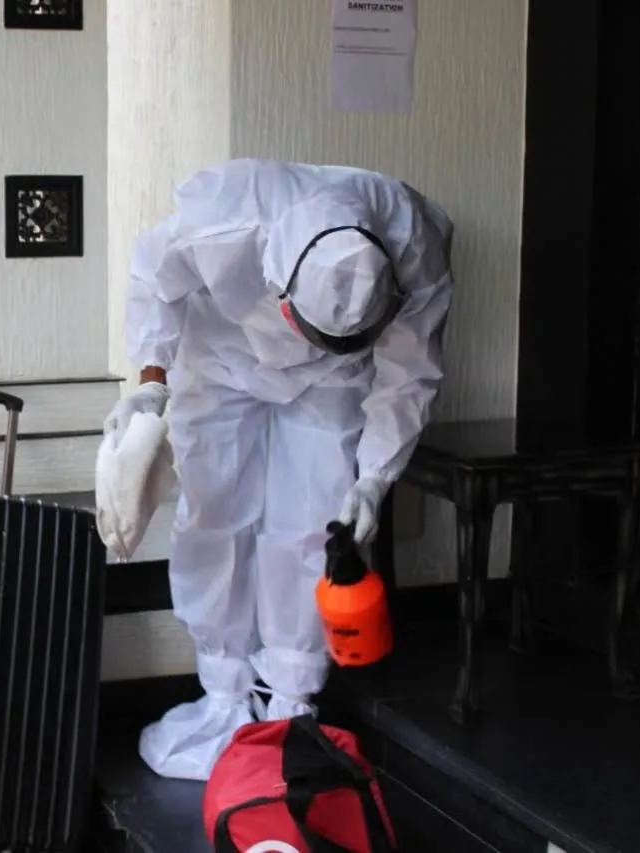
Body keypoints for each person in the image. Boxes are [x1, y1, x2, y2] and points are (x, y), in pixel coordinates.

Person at [104, 159, 454, 781]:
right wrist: (152, 384)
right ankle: (225, 696)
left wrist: (373, 477)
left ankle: (290, 705)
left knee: (315, 523)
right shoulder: (223, 217)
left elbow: (409, 375)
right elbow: (153, 280)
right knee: (213, 515)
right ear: (278, 285)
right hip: (221, 357)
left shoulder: (414, 243)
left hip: (333, 378)